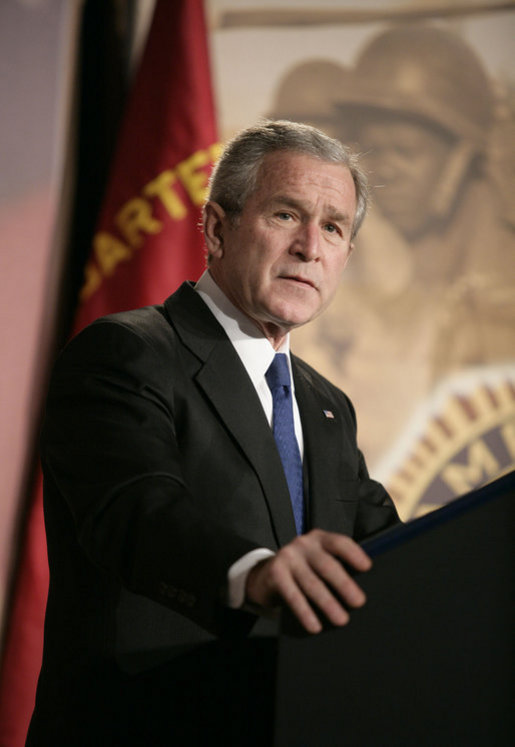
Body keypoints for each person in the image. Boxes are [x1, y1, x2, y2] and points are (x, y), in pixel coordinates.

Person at [27, 121, 399, 744]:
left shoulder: (326, 406)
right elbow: (137, 512)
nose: (311, 246)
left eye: (333, 227)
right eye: (287, 215)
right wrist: (252, 572)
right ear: (217, 229)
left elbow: (382, 547)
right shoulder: (126, 352)